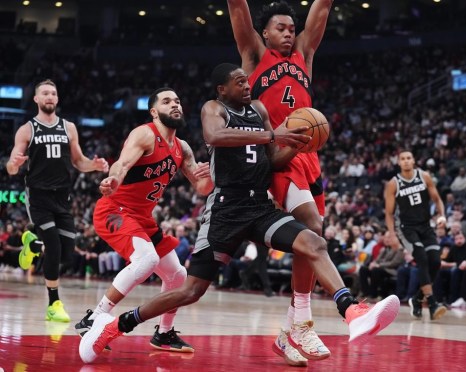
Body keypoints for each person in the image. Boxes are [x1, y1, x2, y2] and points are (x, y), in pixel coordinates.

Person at [79, 63, 400, 365]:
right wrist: (273, 135)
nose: (247, 85)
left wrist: (299, 142)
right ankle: (113, 325)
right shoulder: (212, 109)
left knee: (314, 241)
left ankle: (352, 311)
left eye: (248, 80)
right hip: (225, 210)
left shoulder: (257, 112)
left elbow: (268, 159)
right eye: (239, 81)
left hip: (258, 206)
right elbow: (216, 137)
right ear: (222, 89)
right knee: (190, 290)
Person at [227, 0, 335, 365]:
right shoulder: (254, 53)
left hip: (309, 155)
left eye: (292, 28)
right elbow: (236, 7)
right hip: (275, 153)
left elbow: (324, 7)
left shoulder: (305, 52)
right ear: (265, 32)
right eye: (281, 28)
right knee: (312, 225)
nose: (289, 33)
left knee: (315, 240)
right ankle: (303, 323)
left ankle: (289, 331)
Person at [74, 87, 213, 353]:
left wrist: (210, 174)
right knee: (147, 259)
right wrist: (114, 179)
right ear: (154, 111)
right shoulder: (145, 133)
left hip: (142, 218)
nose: (175, 105)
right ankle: (94, 318)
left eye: (178, 101)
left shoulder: (182, 148)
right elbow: (122, 164)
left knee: (178, 276)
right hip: (115, 209)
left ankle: (164, 334)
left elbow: (201, 188)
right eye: (167, 101)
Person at [6, 79, 109, 322]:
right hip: (38, 195)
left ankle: (32, 246)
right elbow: (11, 166)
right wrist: (15, 164)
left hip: (63, 197)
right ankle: (54, 303)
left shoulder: (69, 127)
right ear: (36, 99)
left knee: (67, 255)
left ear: (57, 98)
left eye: (53, 93)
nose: (50, 96)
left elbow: (79, 161)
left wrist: (93, 166)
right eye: (45, 93)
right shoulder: (27, 129)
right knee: (53, 246)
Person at [385, 150, 447, 321]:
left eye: (408, 158)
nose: (406, 161)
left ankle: (417, 298)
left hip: (426, 226)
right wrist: (393, 235)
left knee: (435, 261)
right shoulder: (393, 183)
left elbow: (437, 199)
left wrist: (442, 215)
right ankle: (433, 304)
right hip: (407, 228)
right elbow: (389, 213)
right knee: (422, 258)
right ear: (398, 162)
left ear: (414, 161)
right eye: (402, 159)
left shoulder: (424, 176)